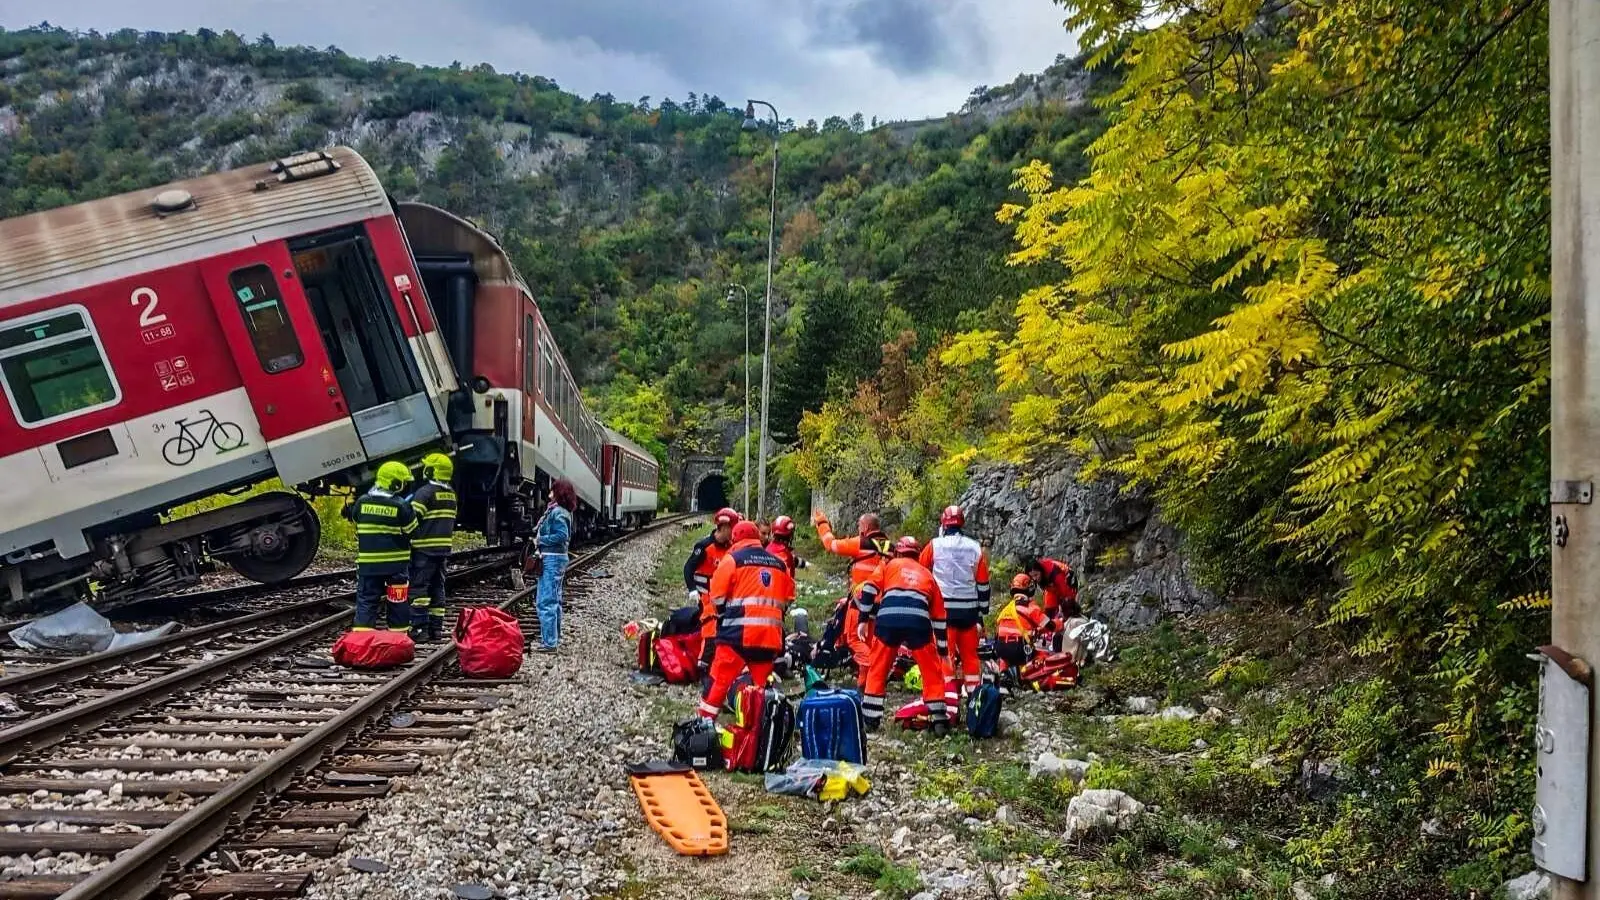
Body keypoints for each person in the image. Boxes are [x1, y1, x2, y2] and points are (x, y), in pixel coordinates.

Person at [696, 521, 796, 722]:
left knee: (719, 682)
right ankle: (757, 730)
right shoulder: (779, 563)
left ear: (735, 539)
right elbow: (788, 597)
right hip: (768, 639)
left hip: (737, 636)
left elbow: (716, 597)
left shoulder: (731, 559)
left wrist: (726, 613)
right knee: (759, 688)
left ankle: (704, 724)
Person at [858, 536, 950, 735]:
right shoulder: (927, 575)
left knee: (878, 668)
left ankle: (871, 720)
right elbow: (940, 617)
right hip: (918, 621)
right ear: (917, 556)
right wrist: (943, 650)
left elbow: (868, 588)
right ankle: (939, 719)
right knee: (931, 670)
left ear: (898, 552)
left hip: (887, 619)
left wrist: (863, 620)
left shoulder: (889, 565)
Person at [920, 504, 990, 708]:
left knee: (945, 654)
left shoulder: (934, 545)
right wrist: (982, 612)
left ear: (944, 523)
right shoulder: (975, 547)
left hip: (944, 610)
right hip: (969, 611)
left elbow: (920, 570)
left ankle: (949, 697)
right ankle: (974, 696)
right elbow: (983, 584)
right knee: (970, 656)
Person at [813, 510, 893, 679]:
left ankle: (876, 668)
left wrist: (822, 523)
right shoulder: (890, 547)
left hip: (861, 602)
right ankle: (865, 685)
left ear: (865, 527)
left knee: (855, 640)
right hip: (882, 604)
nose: (858, 528)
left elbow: (830, 544)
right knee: (869, 643)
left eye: (859, 525)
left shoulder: (861, 543)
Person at [352, 461, 418, 633]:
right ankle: (399, 637)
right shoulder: (401, 506)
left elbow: (356, 520)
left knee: (366, 601)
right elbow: (412, 531)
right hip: (396, 567)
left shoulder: (361, 502)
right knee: (398, 602)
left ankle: (362, 639)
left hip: (368, 566)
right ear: (395, 483)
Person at [406, 452, 457, 642]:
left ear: (432, 471)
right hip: (442, 550)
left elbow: (412, 520)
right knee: (438, 588)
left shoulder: (425, 493)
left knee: (418, 589)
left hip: (423, 550)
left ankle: (420, 629)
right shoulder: (450, 494)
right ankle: (436, 629)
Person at [686, 508, 740, 673]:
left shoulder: (731, 548)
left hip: (724, 597)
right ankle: (703, 666)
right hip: (706, 596)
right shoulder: (704, 547)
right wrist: (692, 590)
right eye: (732, 527)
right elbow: (689, 568)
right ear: (723, 527)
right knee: (710, 628)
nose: (734, 531)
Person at [533, 479, 577, 652]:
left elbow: (561, 536)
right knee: (555, 599)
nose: (549, 492)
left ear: (559, 492)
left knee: (545, 600)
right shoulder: (562, 511)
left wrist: (540, 540)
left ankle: (549, 642)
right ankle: (554, 637)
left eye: (553, 489)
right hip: (557, 558)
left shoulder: (557, 512)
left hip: (552, 558)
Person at [995, 573, 1052, 669]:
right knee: (1043, 654)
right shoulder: (1031, 607)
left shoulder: (1006, 609)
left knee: (1005, 660)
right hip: (1019, 648)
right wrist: (1060, 623)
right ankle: (1036, 682)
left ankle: (1004, 677)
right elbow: (1050, 625)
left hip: (1001, 648)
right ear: (1029, 588)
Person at [1022, 556, 1081, 630]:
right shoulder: (1036, 576)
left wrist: (1063, 603)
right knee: (1049, 611)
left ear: (1041, 570)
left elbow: (1065, 591)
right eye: (1032, 576)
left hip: (1066, 581)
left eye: (1036, 575)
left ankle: (1071, 625)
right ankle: (1051, 629)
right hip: (1051, 588)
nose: (1034, 578)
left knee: (1068, 605)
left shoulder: (1054, 571)